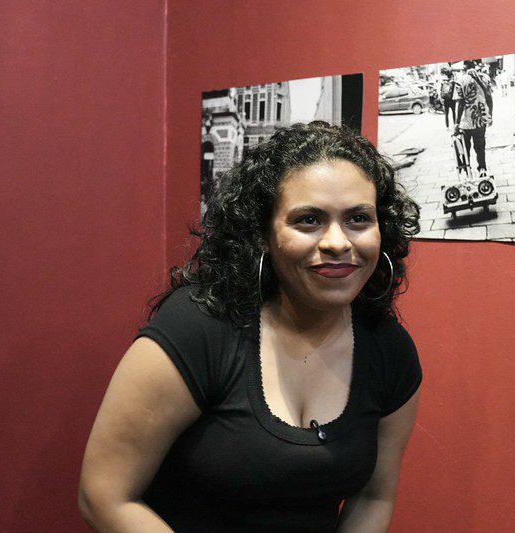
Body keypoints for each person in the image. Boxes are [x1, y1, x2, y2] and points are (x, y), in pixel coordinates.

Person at [78, 122, 423, 532]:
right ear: (262, 234)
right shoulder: (199, 329)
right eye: (309, 220)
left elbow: (374, 496)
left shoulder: (389, 350)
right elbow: (104, 496)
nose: (338, 242)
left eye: (358, 219)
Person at [455, 59, 494, 177]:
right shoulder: (485, 78)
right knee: (480, 146)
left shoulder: (460, 81)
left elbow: (460, 104)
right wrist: (490, 116)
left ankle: (467, 172)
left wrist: (456, 123)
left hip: (466, 122)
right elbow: (490, 99)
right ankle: (482, 169)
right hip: (480, 120)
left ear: (464, 67)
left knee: (465, 148)